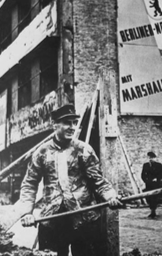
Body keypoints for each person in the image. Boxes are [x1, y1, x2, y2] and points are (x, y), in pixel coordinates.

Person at [19, 104, 122, 256]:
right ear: (55, 125)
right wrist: (27, 213)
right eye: (67, 123)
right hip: (52, 219)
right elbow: (29, 183)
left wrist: (111, 197)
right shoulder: (42, 152)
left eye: (74, 123)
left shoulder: (84, 150)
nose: (72, 127)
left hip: (83, 218)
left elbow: (98, 181)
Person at [141, 151, 162, 218]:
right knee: (149, 197)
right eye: (149, 157)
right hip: (148, 184)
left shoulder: (159, 165)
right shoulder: (145, 165)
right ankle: (152, 211)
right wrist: (146, 181)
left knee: (154, 197)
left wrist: (157, 179)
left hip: (155, 184)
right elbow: (143, 175)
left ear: (155, 158)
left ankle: (153, 211)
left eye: (152, 157)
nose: (151, 159)